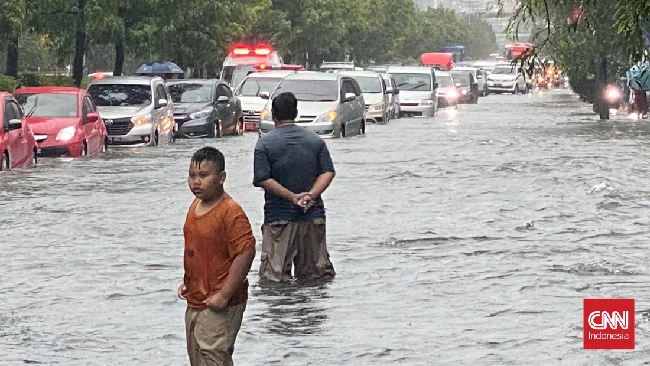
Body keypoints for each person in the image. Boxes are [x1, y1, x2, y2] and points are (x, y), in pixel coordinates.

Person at [178, 147, 256, 366]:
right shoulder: (195, 206)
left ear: (221, 178)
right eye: (192, 176)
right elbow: (198, 249)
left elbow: (246, 252)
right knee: (197, 358)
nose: (196, 182)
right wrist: (188, 282)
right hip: (196, 299)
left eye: (204, 176)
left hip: (220, 303)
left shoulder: (231, 212)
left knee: (214, 357)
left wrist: (224, 294)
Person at [253, 92, 337, 282]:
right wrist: (311, 196)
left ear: (273, 114)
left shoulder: (264, 144)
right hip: (313, 217)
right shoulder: (316, 141)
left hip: (279, 220)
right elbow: (328, 172)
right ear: (296, 112)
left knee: (274, 279)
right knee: (316, 279)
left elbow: (262, 178)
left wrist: (292, 197)